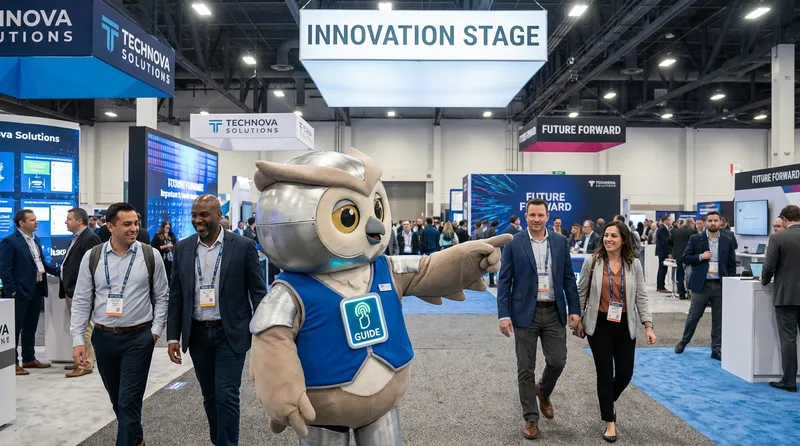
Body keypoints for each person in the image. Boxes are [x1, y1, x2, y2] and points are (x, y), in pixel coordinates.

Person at [167, 195, 267, 445]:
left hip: (229, 332)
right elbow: (177, 294)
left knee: (227, 395)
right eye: (194, 215)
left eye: (203, 215)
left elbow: (257, 291)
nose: (197, 220)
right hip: (198, 333)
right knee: (210, 396)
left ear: (218, 216)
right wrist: (173, 336)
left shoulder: (242, 246)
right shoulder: (183, 248)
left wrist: (264, 331)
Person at [70, 202, 169, 446]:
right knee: (117, 400)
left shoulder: (149, 255)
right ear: (110, 226)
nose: (134, 228)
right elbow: (82, 299)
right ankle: (136, 440)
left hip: (138, 337)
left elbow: (163, 296)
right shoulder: (93, 257)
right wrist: (78, 340)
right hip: (103, 338)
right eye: (127, 224)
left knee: (128, 400)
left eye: (136, 223)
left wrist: (155, 333)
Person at [497, 198, 581, 440]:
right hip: (525, 312)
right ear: (525, 217)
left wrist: (573, 309)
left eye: (540, 215)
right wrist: (504, 314)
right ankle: (531, 419)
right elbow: (505, 281)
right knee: (525, 368)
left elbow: (568, 279)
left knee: (558, 361)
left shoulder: (560, 242)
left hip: (554, 311)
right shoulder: (514, 243)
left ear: (547, 216)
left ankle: (542, 391)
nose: (536, 219)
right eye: (532, 215)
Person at [576, 220, 655, 442]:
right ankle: (609, 422)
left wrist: (648, 325)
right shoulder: (592, 261)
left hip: (625, 324)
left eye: (614, 236)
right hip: (598, 324)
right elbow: (581, 291)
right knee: (604, 374)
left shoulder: (633, 264)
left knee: (624, 374)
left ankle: (608, 403)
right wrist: (577, 320)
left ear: (623, 240)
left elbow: (641, 296)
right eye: (606, 235)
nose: (608, 239)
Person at [0, 209, 60, 375]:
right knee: (15, 328)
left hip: (37, 289)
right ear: (21, 223)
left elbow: (40, 263)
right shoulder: (10, 241)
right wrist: (12, 291)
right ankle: (13, 363)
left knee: (31, 327)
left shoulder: (35, 239)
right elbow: (4, 269)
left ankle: (29, 358)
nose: (36, 222)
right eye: (32, 220)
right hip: (19, 293)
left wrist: (61, 271)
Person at [675, 211, 736, 360]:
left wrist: (729, 282)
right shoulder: (696, 238)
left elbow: (731, 264)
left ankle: (716, 349)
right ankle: (684, 342)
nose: (713, 223)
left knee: (718, 320)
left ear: (721, 222)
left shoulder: (728, 239)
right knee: (693, 316)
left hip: (720, 285)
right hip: (701, 285)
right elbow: (685, 257)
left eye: (716, 220)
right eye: (710, 220)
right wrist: (701, 257)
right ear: (706, 222)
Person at [761, 205, 800, 392]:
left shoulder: (778, 238)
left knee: (788, 340)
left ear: (784, 219)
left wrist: (764, 281)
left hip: (787, 296)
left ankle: (789, 381)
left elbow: (768, 267)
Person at [60, 207, 102, 378]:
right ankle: (81, 359)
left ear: (79, 220)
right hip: (73, 290)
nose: (65, 222)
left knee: (86, 327)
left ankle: (86, 364)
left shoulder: (90, 238)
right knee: (80, 327)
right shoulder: (77, 238)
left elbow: (93, 267)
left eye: (69, 219)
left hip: (82, 291)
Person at [668, 218, 696, 300]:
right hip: (690, 256)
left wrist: (675, 248)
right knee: (690, 274)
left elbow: (669, 241)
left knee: (680, 275)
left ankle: (681, 294)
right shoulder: (693, 232)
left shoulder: (676, 231)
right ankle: (690, 292)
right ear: (690, 223)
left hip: (679, 256)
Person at [655, 216, 672, 293]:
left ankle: (661, 285)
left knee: (662, 269)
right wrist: (668, 253)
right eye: (670, 219)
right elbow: (664, 242)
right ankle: (661, 286)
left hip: (662, 252)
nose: (671, 221)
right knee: (662, 269)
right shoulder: (662, 229)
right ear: (666, 220)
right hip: (663, 252)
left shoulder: (663, 228)